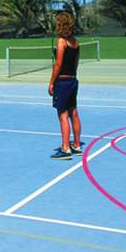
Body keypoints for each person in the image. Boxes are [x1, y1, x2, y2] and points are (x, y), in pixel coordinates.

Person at [48, 12, 83, 160]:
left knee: (63, 115)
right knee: (73, 113)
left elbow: (58, 64)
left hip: (62, 82)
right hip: (73, 80)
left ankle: (66, 148)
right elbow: (75, 63)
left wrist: (51, 82)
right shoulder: (75, 42)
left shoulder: (61, 42)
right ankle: (76, 145)